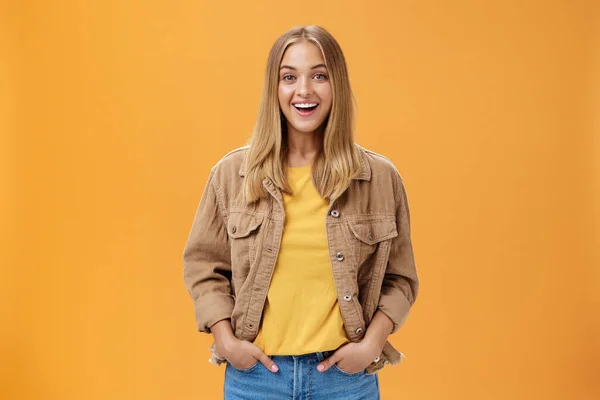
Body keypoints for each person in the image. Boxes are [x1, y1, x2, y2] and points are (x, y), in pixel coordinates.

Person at [182, 25, 419, 400]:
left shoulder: (378, 178)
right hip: (256, 380)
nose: (303, 90)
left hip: (346, 381)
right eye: (289, 77)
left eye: (319, 76)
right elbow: (203, 267)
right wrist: (225, 341)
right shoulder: (232, 176)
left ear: (336, 84)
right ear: (273, 89)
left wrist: (371, 345)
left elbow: (401, 279)